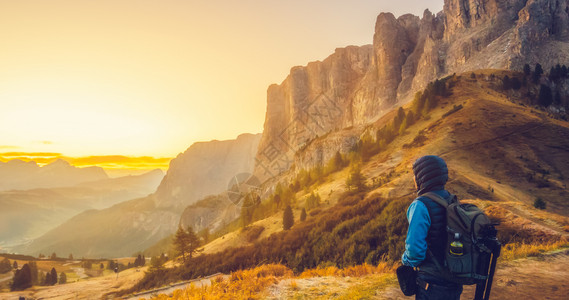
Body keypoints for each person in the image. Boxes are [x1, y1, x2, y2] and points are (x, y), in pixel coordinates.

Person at [402, 155, 463, 299]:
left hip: (431, 284)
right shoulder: (452, 200)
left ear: (422, 177)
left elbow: (415, 251)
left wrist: (404, 260)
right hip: (453, 281)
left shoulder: (420, 205)